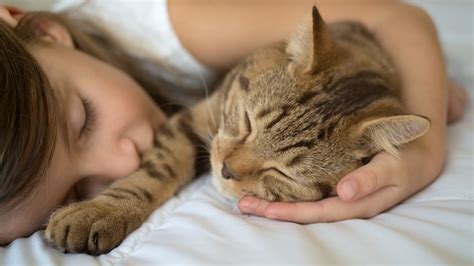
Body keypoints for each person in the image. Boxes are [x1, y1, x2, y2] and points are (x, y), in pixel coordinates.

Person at [0, 0, 468, 245]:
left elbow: (396, 15)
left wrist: (422, 150)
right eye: (75, 195)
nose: (229, 167)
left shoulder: (163, 24)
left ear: (45, 33)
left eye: (85, 120)